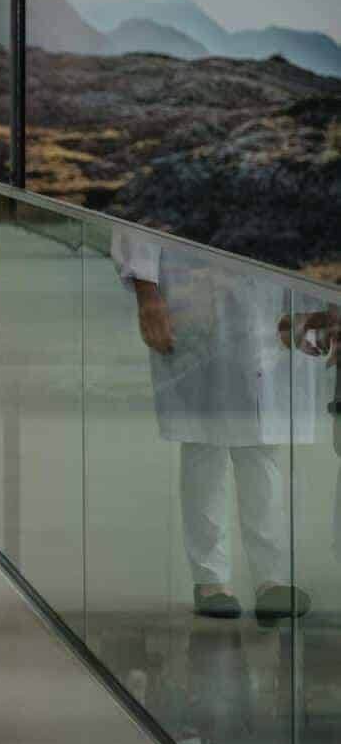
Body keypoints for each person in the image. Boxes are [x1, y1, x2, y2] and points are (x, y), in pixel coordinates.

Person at [114, 232, 315, 621]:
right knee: (203, 441)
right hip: (195, 294)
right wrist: (148, 295)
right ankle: (211, 579)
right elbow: (137, 221)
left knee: (262, 444)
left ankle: (272, 579)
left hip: (269, 298)